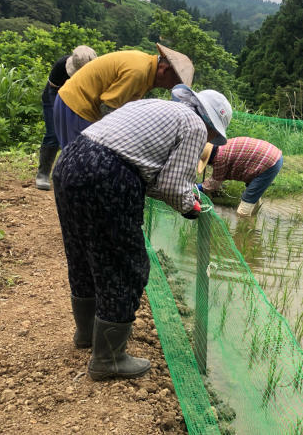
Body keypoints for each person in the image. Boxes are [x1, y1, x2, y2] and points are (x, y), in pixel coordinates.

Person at [52, 87, 232, 381]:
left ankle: (86, 335)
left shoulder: (155, 106)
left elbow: (150, 174)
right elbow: (173, 186)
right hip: (108, 173)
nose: (210, 140)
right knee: (126, 266)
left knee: (82, 252)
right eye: (214, 135)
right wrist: (190, 207)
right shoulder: (195, 125)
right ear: (211, 123)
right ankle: (108, 359)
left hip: (70, 160)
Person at [54, 43, 194, 148]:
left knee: (78, 159)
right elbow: (108, 106)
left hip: (75, 104)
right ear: (164, 70)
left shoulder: (145, 69)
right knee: (79, 161)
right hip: (77, 105)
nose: (171, 87)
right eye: (174, 82)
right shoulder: (139, 72)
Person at [35, 45, 97, 190]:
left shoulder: (98, 69)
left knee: (80, 136)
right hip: (55, 96)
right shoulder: (60, 66)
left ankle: (73, 174)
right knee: (53, 133)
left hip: (78, 99)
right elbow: (53, 90)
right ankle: (43, 173)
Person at [198, 137, 284, 217]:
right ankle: (254, 214)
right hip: (269, 155)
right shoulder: (223, 146)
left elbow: (213, 184)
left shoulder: (219, 158)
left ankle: (245, 222)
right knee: (253, 190)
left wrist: (197, 188)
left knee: (246, 203)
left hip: (269, 162)